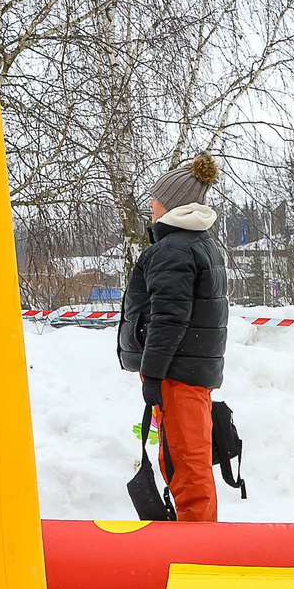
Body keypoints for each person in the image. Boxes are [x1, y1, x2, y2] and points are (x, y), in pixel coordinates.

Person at [117, 154, 230, 522]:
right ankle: (197, 544)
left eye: (156, 198)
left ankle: (197, 556)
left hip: (175, 374)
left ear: (171, 204)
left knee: (186, 468)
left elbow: (168, 318)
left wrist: (151, 374)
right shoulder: (199, 244)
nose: (151, 204)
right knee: (187, 461)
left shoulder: (173, 250)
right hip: (189, 371)